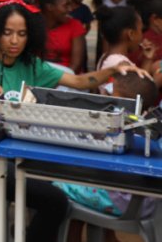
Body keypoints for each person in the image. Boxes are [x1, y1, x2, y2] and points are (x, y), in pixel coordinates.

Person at [0, 0, 150, 241]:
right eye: (7, 33)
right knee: (56, 201)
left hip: (14, 155)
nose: (14, 41)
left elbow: (78, 81)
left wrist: (112, 71)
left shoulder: (31, 65)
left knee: (56, 186)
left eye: (21, 34)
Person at [56, 71, 158, 242]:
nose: (107, 97)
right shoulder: (147, 125)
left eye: (112, 95)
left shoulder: (122, 127)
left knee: (58, 188)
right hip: (146, 203)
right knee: (86, 183)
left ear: (125, 103)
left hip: (124, 202)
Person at [94, 6, 157, 84]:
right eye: (141, 30)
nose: (142, 36)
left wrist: (148, 59)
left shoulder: (106, 57)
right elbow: (138, 92)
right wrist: (157, 79)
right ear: (131, 34)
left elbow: (138, 83)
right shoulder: (122, 66)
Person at [40, 0, 86, 73]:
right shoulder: (35, 26)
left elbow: (76, 64)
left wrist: (58, 81)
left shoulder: (75, 25)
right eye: (66, 5)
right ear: (50, 7)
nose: (70, 9)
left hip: (68, 79)